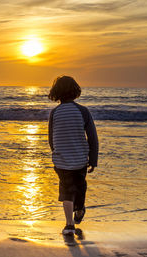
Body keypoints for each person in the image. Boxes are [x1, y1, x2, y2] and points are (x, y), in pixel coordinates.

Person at [48, 75, 99, 235]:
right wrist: (93, 159)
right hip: (79, 159)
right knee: (79, 186)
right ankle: (76, 214)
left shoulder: (54, 113)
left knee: (66, 191)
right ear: (75, 91)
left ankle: (70, 224)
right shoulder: (83, 111)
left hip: (61, 159)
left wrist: (56, 152)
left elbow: (51, 138)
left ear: (56, 93)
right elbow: (92, 137)